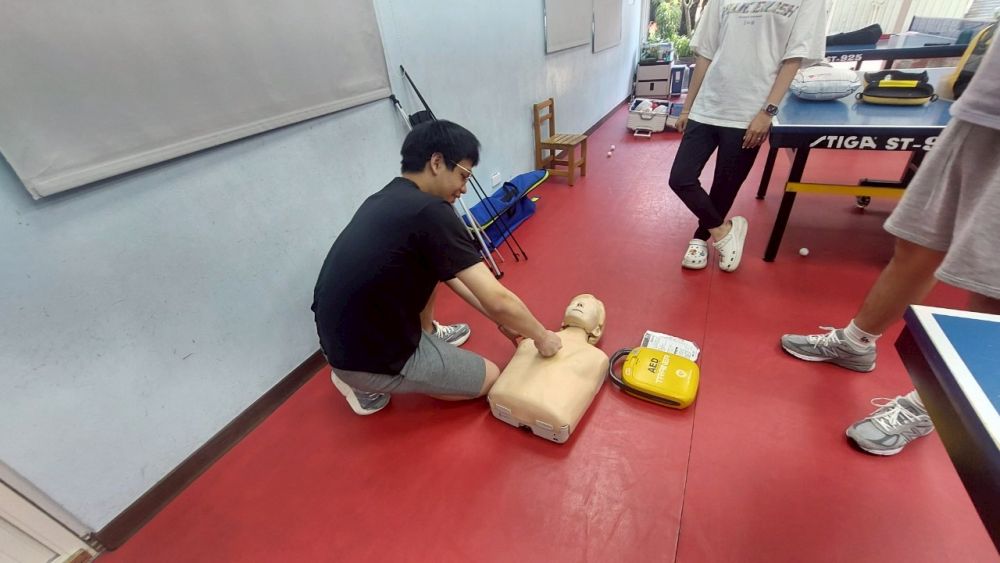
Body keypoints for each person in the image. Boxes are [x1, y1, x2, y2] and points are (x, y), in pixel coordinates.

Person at [780, 39, 1000, 455]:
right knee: (917, 243)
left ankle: (931, 405)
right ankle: (855, 343)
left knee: (992, 290)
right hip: (978, 113)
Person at [312, 120, 562, 415]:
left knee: (429, 266)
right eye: (463, 175)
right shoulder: (432, 211)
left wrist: (502, 321)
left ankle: (427, 332)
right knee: (490, 376)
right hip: (365, 358)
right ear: (437, 162)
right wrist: (542, 337)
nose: (464, 188)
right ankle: (364, 385)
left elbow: (454, 276)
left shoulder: (387, 197)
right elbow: (498, 298)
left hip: (337, 340)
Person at [669, 0, 827, 271]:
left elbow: (794, 58)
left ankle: (700, 238)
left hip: (750, 110)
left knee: (725, 184)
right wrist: (687, 107)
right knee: (680, 178)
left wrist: (767, 112)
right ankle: (723, 231)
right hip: (708, 104)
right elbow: (705, 53)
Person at [487, 294, 610, 442]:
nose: (578, 305)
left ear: (597, 329)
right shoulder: (530, 340)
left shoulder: (596, 358)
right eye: (575, 302)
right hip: (515, 406)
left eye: (588, 306)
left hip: (545, 417)